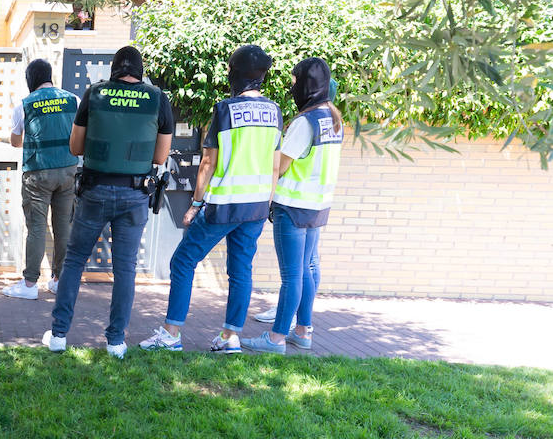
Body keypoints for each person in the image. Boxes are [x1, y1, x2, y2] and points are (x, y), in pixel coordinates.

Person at [141, 44, 282, 354]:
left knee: (183, 260)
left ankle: (171, 333)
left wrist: (195, 205)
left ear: (237, 75)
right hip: (257, 206)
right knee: (240, 271)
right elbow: (275, 165)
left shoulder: (226, 109)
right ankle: (230, 337)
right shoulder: (274, 111)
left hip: (223, 205)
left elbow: (207, 163)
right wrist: (266, 202)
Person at [41, 46, 173, 358]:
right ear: (139, 70)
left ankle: (59, 335)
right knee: (125, 268)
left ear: (113, 68)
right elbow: (160, 156)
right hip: (135, 194)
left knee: (74, 261)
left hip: (95, 190)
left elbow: (75, 146)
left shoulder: (94, 93)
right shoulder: (158, 98)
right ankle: (115, 342)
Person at [243, 59, 343, 354]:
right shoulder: (333, 118)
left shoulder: (305, 122)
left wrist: (265, 199)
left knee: (293, 275)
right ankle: (303, 331)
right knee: (309, 268)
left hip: (293, 206)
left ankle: (275, 339)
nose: (291, 86)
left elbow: (280, 167)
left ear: (307, 84)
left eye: (295, 80)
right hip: (317, 205)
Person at [4, 58, 79, 301]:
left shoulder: (24, 105)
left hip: (38, 174)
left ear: (31, 79)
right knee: (63, 226)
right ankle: (59, 281)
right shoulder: (73, 100)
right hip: (68, 171)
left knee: (36, 227)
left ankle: (29, 284)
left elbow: (15, 142)